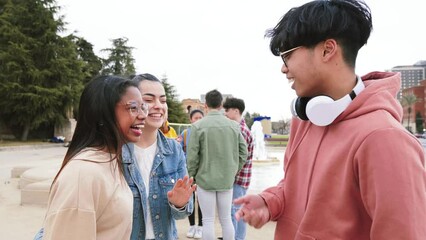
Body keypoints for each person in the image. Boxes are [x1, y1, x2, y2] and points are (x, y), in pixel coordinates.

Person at [234, 0, 426, 239]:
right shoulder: (304, 119)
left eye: (287, 56)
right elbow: (296, 186)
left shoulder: (384, 139)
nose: (284, 69)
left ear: (327, 50)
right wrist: (269, 202)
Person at [39, 75, 147, 239]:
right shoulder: (83, 174)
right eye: (133, 108)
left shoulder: (110, 161)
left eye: (143, 107)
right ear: (103, 113)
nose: (143, 115)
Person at [122, 73, 196, 240]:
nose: (158, 106)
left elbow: (184, 212)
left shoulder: (174, 151)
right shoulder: (116, 151)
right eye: (149, 100)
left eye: (163, 101)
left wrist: (179, 203)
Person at [187, 89, 248, 240]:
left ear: (205, 105)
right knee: (226, 219)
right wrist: (234, 169)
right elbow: (243, 152)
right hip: (226, 179)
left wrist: (192, 176)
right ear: (221, 104)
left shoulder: (197, 126)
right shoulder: (233, 126)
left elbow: (192, 156)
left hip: (204, 179)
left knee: (207, 220)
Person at [223, 97, 254, 240]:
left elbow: (235, 158)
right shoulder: (241, 128)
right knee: (238, 211)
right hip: (241, 179)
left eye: (227, 110)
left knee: (235, 212)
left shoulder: (240, 130)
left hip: (237, 179)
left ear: (236, 111)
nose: (225, 113)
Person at [181, 109, 205, 238]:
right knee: (190, 199)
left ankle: (200, 227)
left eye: (200, 117)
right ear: (191, 119)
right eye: (195, 118)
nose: (198, 120)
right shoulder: (185, 134)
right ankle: (191, 226)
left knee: (202, 200)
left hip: (202, 173)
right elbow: (179, 152)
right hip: (188, 172)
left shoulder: (206, 133)